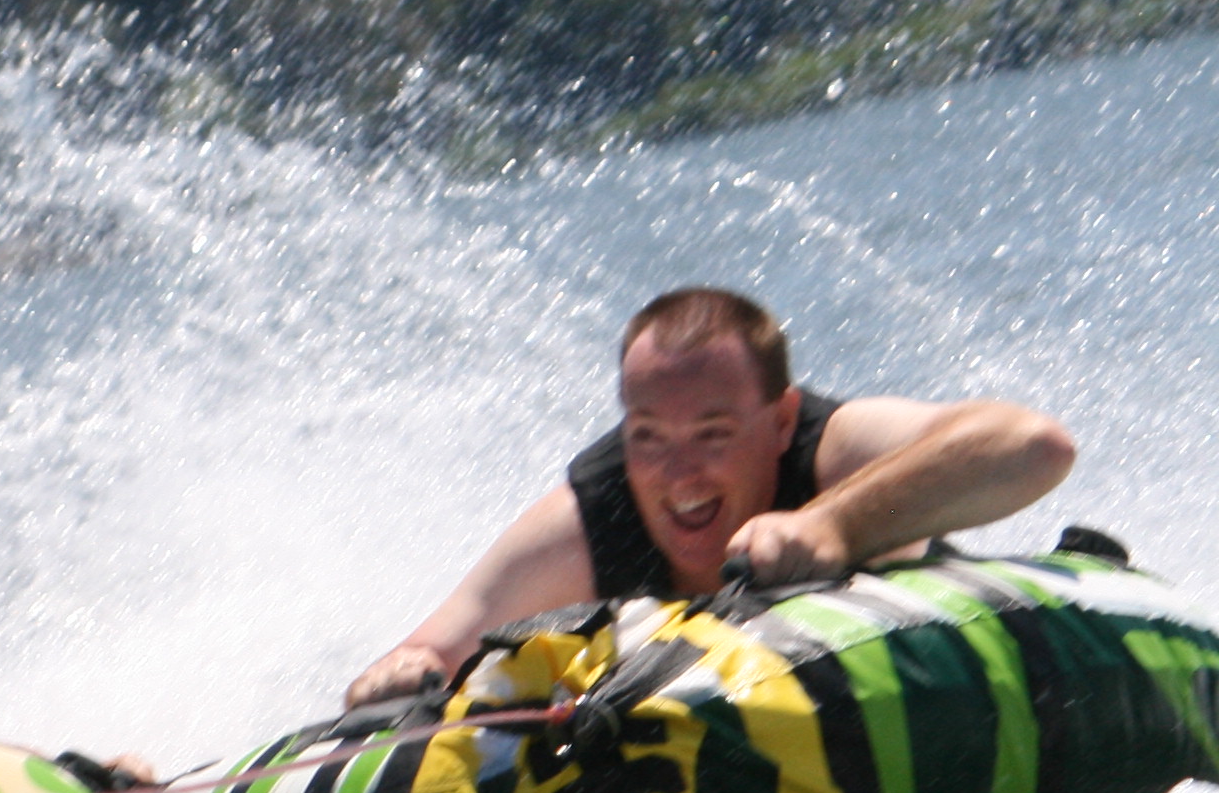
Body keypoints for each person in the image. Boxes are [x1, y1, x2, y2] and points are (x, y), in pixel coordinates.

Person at [342, 285, 1078, 705]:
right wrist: (398, 675)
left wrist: (835, 524)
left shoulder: (833, 451)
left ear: (780, 420)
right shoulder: (589, 522)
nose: (679, 473)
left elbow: (1035, 445)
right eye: (648, 436)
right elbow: (432, 652)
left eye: (713, 434)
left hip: (920, 688)